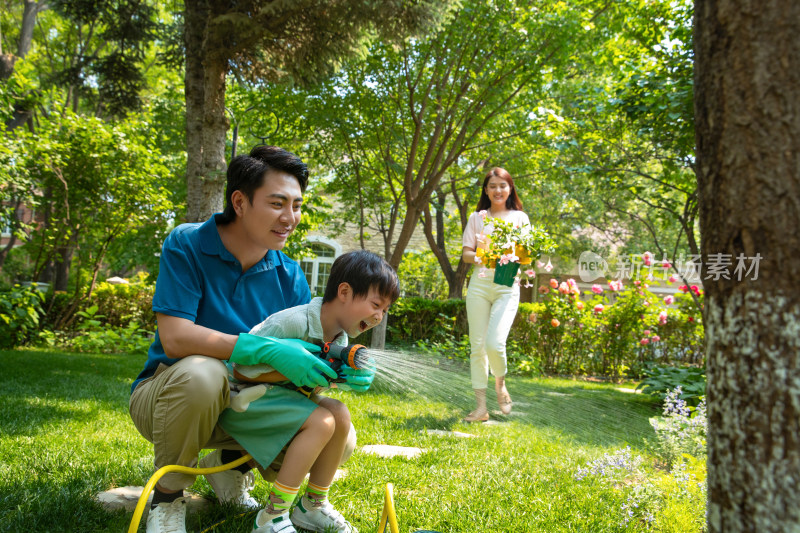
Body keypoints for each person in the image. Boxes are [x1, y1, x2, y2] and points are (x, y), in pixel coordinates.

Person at [129, 146, 366, 533]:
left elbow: (296, 365)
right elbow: (175, 338)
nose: (290, 218)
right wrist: (260, 347)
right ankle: (169, 497)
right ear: (239, 201)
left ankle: (232, 466)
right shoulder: (187, 244)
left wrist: (335, 367)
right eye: (277, 203)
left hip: (245, 404)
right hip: (171, 398)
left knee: (340, 432)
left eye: (297, 205)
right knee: (204, 375)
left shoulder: (290, 275)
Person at [219, 250, 399, 533]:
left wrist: (342, 378)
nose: (379, 316)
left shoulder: (340, 337)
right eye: (376, 304)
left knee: (339, 413)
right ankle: (272, 515)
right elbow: (239, 368)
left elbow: (313, 381)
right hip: (241, 400)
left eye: (384, 311)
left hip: (278, 401)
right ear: (344, 291)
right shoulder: (291, 322)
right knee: (321, 421)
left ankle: (312, 505)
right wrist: (287, 368)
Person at [461, 167, 529, 422]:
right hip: (479, 286)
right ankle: (481, 408)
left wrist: (510, 255)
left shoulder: (520, 218)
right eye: (492, 186)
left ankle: (500, 384)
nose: (498, 190)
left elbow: (525, 254)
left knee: (494, 344)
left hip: (507, 285)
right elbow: (467, 253)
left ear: (510, 188)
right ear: (486, 191)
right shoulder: (477, 218)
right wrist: (487, 255)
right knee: (477, 348)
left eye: (502, 185)